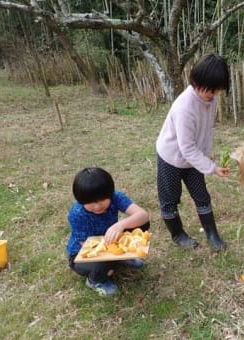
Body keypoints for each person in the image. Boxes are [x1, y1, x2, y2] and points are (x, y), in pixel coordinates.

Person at [156, 53, 230, 251]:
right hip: (171, 158)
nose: (214, 94)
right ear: (197, 81)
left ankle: (212, 234)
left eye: (217, 89)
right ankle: (178, 234)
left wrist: (205, 158)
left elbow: (205, 131)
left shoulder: (210, 99)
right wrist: (212, 168)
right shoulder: (184, 108)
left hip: (193, 159)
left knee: (202, 196)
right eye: (211, 89)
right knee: (170, 199)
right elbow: (186, 148)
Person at [67, 167, 150, 296]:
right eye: (90, 202)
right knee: (104, 263)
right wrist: (113, 254)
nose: (97, 206)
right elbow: (87, 248)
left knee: (142, 224)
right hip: (83, 255)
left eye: (102, 199)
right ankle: (94, 280)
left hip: (110, 240)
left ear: (110, 193)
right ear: (80, 200)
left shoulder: (115, 197)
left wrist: (120, 225)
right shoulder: (77, 213)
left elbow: (143, 215)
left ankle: (118, 258)